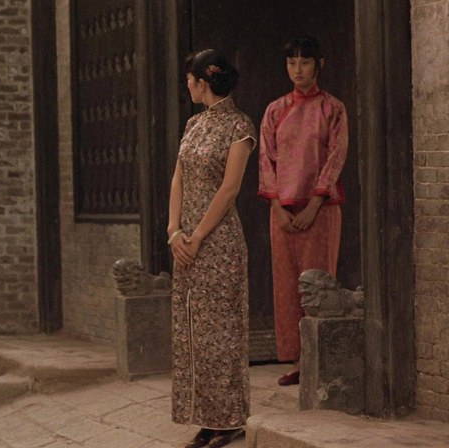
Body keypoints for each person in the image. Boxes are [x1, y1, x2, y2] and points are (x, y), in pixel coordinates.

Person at [168, 49, 256, 448]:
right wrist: (174, 232)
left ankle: (229, 420)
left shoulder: (239, 126)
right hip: (185, 242)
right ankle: (206, 418)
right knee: (193, 332)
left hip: (218, 244)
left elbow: (230, 188)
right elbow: (178, 178)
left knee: (221, 332)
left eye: (190, 80)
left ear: (203, 82)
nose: (187, 86)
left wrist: (198, 235)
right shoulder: (193, 124)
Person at [258, 36, 348, 386]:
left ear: (319, 64)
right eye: (292, 62)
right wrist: (277, 207)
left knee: (318, 283)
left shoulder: (333, 109)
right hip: (281, 211)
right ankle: (297, 361)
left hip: (319, 210)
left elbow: (335, 158)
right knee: (287, 287)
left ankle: (319, 360)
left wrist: (314, 204)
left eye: (305, 62)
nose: (298, 69)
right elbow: (266, 160)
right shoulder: (275, 110)